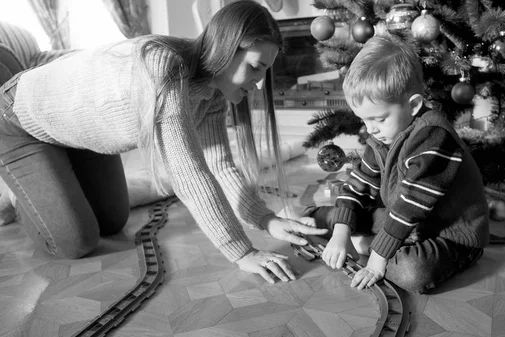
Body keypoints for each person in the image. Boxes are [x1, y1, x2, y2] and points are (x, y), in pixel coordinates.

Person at [0, 0, 327, 284]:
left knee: (113, 221)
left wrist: (266, 220)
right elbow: (190, 175)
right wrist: (242, 252)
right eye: (256, 68)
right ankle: (19, 189)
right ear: (229, 47)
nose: (258, 86)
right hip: (17, 119)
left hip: (80, 137)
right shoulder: (164, 70)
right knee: (77, 242)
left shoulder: (211, 92)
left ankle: (54, 171)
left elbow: (220, 165)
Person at [304, 33, 489, 294]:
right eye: (364, 121)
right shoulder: (380, 135)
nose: (371, 130)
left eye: (378, 119)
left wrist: (378, 259)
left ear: (413, 105)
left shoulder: (434, 135)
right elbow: (359, 185)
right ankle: (330, 225)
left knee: (412, 273)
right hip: (404, 223)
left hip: (449, 234)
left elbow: (410, 206)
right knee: (342, 215)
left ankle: (371, 244)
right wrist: (341, 233)